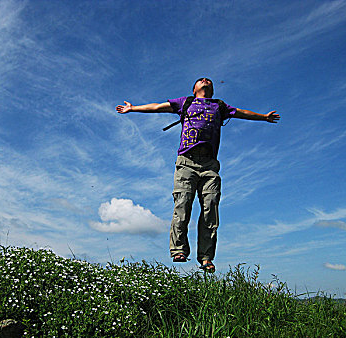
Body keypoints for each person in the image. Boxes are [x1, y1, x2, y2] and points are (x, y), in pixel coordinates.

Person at [116, 77, 280, 272]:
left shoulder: (220, 106)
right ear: (194, 89)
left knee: (210, 209)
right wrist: (133, 108)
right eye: (200, 80)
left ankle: (206, 257)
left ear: (211, 89)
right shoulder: (185, 102)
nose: (205, 80)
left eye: (208, 80)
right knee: (183, 205)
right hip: (186, 162)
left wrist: (263, 117)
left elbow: (242, 113)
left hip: (210, 165)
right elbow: (158, 107)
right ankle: (178, 249)